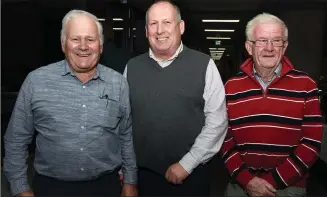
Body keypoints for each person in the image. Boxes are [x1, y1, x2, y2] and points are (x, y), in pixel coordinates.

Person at [3, 9, 137, 197]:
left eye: (90, 39)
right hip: (51, 189)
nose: (83, 46)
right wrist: (20, 188)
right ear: (63, 44)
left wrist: (130, 181)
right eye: (75, 39)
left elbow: (126, 135)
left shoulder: (118, 83)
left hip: (105, 187)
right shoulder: (36, 82)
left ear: (100, 46)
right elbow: (16, 140)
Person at [124, 0, 228, 196]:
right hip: (143, 178)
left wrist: (187, 164)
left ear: (181, 27)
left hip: (191, 176)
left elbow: (217, 121)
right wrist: (127, 173)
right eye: (153, 24)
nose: (160, 30)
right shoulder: (132, 68)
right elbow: (123, 124)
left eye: (167, 22)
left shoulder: (204, 65)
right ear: (146, 31)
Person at [221, 13, 323, 197]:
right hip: (241, 186)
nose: (269, 48)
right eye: (261, 40)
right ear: (249, 47)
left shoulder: (306, 85)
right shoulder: (231, 87)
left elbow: (312, 142)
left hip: (288, 188)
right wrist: (247, 181)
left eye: (276, 41)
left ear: (284, 47)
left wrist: (271, 182)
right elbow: (224, 139)